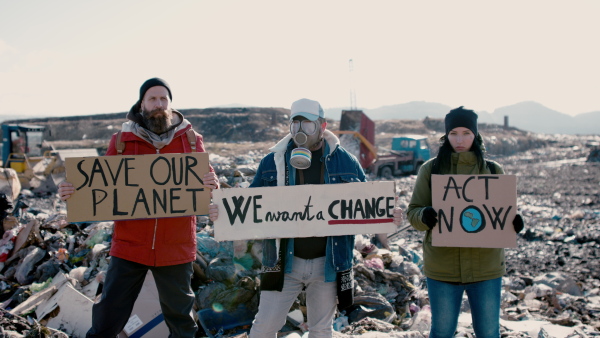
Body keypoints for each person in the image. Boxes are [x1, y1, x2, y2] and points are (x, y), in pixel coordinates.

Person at [209, 98, 404, 337]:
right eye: (295, 125)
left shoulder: (346, 162)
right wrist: (223, 213)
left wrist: (387, 215)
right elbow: (250, 206)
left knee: (321, 329)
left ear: (322, 126)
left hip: (329, 263)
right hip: (282, 263)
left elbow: (365, 207)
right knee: (264, 327)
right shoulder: (273, 162)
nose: (301, 132)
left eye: (308, 125)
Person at [58, 78, 219, 338]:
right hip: (130, 245)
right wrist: (71, 191)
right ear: (142, 103)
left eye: (163, 99)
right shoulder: (122, 140)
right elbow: (98, 184)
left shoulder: (190, 140)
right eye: (152, 99)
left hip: (175, 247)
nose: (158, 104)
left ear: (170, 104)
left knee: (181, 321)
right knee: (107, 318)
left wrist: (214, 183)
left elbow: (207, 186)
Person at [406, 106, 525, 338]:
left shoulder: (493, 170)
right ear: (446, 135)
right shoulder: (430, 169)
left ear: (476, 135)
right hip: (443, 269)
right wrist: (424, 216)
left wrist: (515, 223)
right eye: (453, 133)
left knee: (489, 333)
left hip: (486, 269)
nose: (459, 139)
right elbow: (413, 213)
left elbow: (502, 215)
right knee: (441, 332)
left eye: (466, 133)